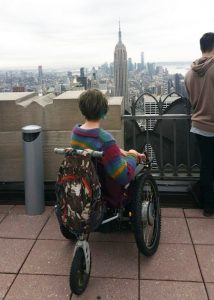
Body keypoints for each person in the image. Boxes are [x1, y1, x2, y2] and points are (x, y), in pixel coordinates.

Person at [70, 88, 145, 207]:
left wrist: (120, 151)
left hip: (85, 187)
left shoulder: (76, 133)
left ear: (82, 109)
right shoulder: (105, 139)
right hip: (106, 194)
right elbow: (123, 177)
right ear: (103, 111)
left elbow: (94, 148)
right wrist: (132, 155)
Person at [185, 32, 214, 216]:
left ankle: (207, 206)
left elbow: (191, 100)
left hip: (198, 126)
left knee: (206, 165)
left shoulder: (189, 73)